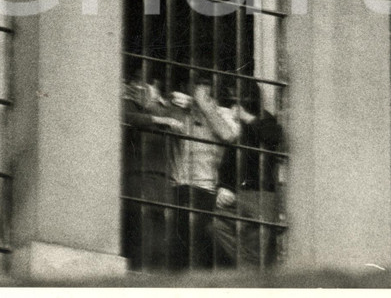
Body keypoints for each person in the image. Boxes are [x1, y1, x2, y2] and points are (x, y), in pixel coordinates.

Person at [168, 72, 241, 271]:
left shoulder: (222, 114)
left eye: (205, 85)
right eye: (197, 85)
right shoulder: (182, 110)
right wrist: (188, 104)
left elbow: (228, 134)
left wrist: (204, 105)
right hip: (181, 186)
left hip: (206, 190)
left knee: (201, 249)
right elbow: (170, 124)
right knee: (181, 250)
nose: (201, 89)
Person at [213, 79, 285, 268]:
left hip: (262, 194)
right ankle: (249, 267)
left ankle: (249, 271)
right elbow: (229, 160)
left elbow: (274, 136)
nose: (235, 103)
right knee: (218, 224)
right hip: (240, 193)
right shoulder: (240, 128)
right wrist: (223, 187)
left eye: (238, 97)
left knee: (255, 247)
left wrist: (245, 116)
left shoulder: (265, 119)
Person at [121, 76, 184, 271]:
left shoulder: (167, 108)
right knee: (142, 237)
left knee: (161, 242)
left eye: (148, 86)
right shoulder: (128, 104)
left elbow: (179, 125)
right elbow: (129, 118)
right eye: (138, 84)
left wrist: (160, 109)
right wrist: (159, 117)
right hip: (138, 178)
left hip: (162, 179)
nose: (143, 89)